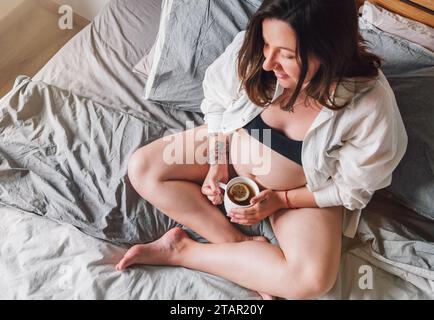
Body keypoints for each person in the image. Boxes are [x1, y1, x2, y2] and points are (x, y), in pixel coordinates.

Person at [116, 0, 408, 300]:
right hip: (232, 150)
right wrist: (217, 163)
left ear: (330, 50)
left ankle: (181, 251)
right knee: (143, 168)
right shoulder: (257, 51)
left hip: (301, 191)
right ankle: (238, 245)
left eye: (288, 55)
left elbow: (351, 189)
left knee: (312, 280)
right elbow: (217, 104)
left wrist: (281, 200)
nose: (269, 62)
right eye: (267, 44)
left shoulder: (369, 105)